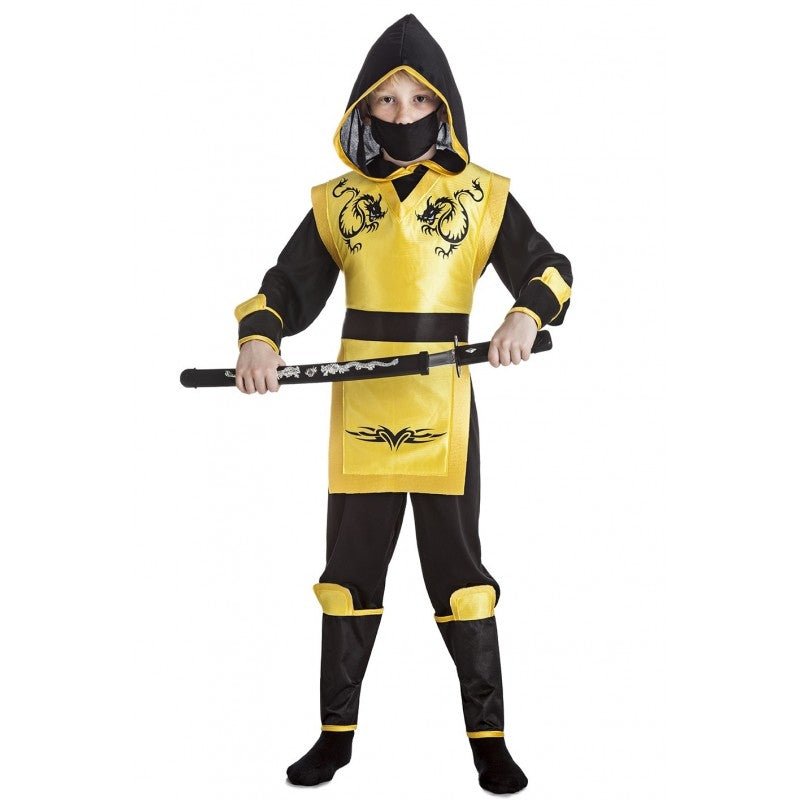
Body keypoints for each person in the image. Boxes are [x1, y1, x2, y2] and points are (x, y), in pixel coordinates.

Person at [233, 14, 572, 794]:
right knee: (349, 573)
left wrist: (525, 316)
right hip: (360, 408)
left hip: (443, 405)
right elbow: (285, 287)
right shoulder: (338, 201)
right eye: (385, 101)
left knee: (459, 574)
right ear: (363, 109)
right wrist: (260, 338)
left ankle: (489, 741)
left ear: (443, 104)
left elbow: (549, 269)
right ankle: (334, 738)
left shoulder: (484, 195)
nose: (403, 114)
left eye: (418, 100)